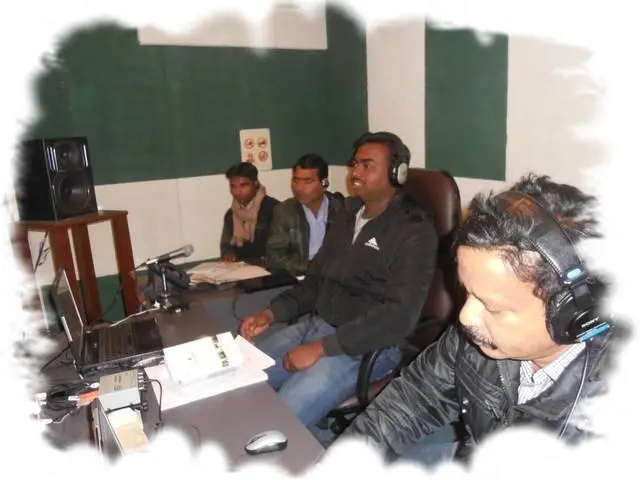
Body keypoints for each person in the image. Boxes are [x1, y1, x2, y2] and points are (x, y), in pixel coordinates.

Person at [338, 174, 620, 466]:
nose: (465, 317)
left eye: (492, 307)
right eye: (467, 292)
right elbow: (407, 403)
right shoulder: (478, 337)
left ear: (576, 314)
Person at [238, 131, 439, 430]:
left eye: (367, 165)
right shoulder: (347, 216)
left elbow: (399, 315)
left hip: (366, 345)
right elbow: (315, 281)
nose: (356, 172)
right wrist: (271, 312)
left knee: (280, 419)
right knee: (242, 378)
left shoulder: (413, 230)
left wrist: (320, 349)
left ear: (396, 173)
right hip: (317, 326)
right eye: (355, 164)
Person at [265, 153, 345, 276]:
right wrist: (309, 266)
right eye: (296, 180)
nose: (299, 188)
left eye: (308, 181)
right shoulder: (284, 211)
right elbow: (274, 257)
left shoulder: (341, 209)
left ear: (324, 183)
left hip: (335, 276)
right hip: (302, 276)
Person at [220, 162, 279, 262]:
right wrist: (228, 253)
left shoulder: (274, 209)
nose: (238, 192)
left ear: (255, 183)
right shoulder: (231, 214)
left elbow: (281, 247)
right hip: (240, 268)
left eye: (243, 185)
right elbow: (226, 244)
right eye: (233, 186)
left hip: (269, 267)